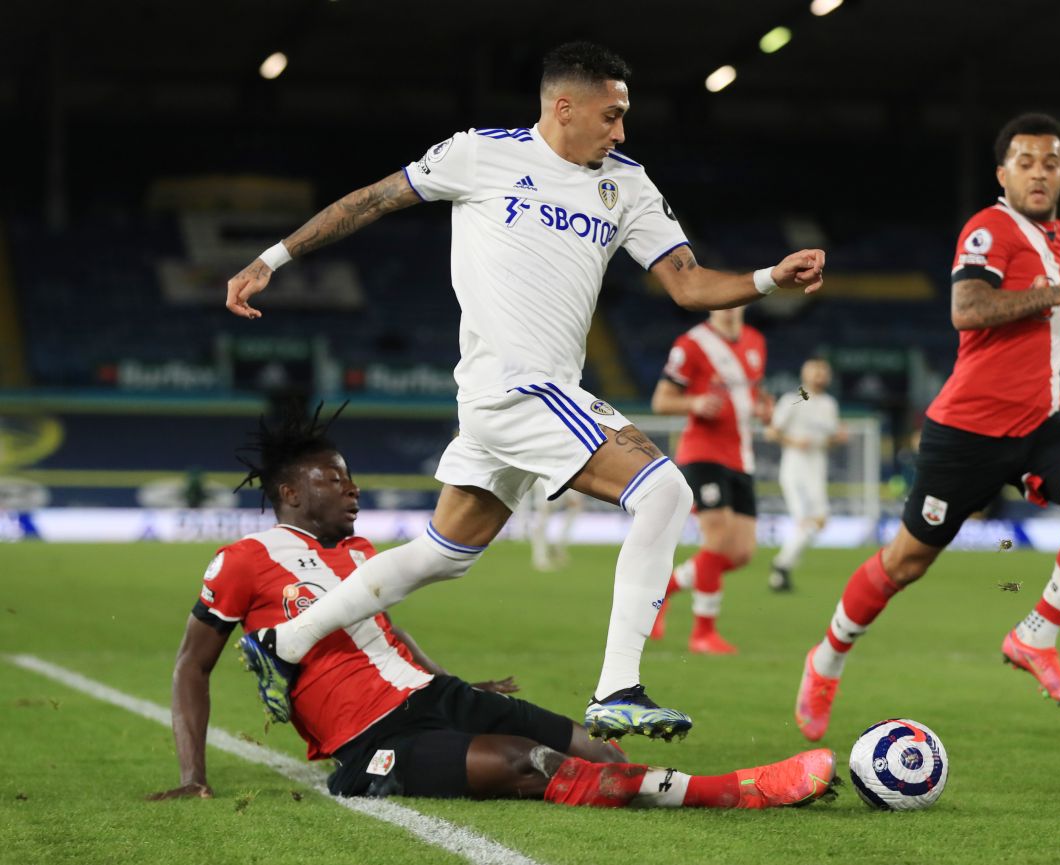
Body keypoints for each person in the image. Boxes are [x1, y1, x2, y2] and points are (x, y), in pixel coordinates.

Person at [224, 41, 826, 741]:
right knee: (665, 490)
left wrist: (766, 279)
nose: (621, 131)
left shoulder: (627, 183)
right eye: (612, 115)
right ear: (563, 106)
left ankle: (286, 642)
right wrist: (272, 259)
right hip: (515, 386)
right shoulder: (479, 154)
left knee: (441, 553)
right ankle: (617, 688)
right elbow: (373, 200)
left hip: (521, 398)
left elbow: (689, 284)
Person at [146, 405, 837, 810]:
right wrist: (192, 776)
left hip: (435, 694)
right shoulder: (243, 560)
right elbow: (189, 666)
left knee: (594, 745)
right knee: (525, 761)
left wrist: (455, 681)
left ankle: (663, 782)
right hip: (369, 743)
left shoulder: (359, 555)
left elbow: (392, 634)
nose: (352, 489)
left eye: (352, 476)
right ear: (290, 493)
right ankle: (728, 790)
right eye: (335, 478)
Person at [793, 112, 1060, 741]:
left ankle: (1036, 635)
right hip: (968, 433)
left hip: (1038, 424)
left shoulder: (1055, 236)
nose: (1039, 172)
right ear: (1002, 173)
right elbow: (967, 309)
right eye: (1025, 162)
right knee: (905, 563)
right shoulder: (989, 228)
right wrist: (1056, 294)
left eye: (1050, 162)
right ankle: (827, 659)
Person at [648, 307, 772, 654]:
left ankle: (664, 590)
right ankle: (702, 633)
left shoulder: (755, 341)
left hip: (740, 457)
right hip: (703, 455)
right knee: (717, 541)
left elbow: (753, 395)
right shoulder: (691, 344)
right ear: (712, 303)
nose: (730, 306)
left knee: (742, 552)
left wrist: (764, 408)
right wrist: (696, 401)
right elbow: (661, 401)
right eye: (723, 300)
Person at [764, 358, 847, 592]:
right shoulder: (792, 400)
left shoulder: (829, 404)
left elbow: (829, 440)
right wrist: (794, 441)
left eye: (824, 370)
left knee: (819, 522)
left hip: (817, 469)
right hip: (795, 469)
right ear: (804, 374)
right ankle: (780, 568)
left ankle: (781, 568)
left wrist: (837, 439)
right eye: (816, 370)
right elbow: (772, 432)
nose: (820, 374)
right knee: (805, 522)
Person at [524, 479, 586, 572]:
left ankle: (558, 546)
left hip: (565, 476)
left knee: (576, 506)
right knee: (542, 520)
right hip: (547, 478)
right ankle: (540, 558)